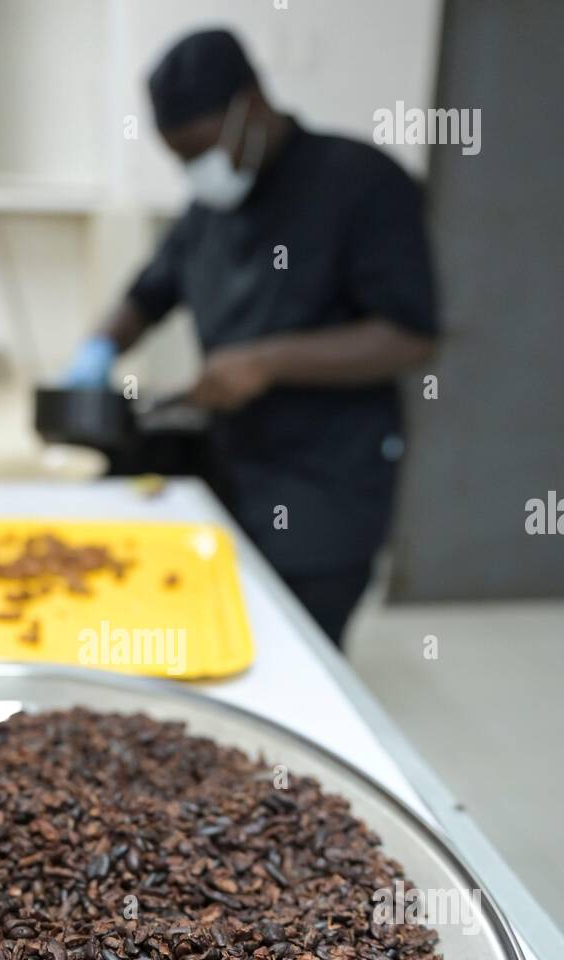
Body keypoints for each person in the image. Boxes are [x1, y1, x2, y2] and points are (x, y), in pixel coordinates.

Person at [64, 29, 439, 645]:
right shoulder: (210, 207)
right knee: (214, 632)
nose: (198, 171)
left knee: (294, 650)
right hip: (229, 467)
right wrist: (96, 351)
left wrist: (270, 362)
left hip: (325, 482)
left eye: (203, 151)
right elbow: (148, 293)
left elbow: (409, 336)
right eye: (181, 159)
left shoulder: (363, 185)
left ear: (253, 104)